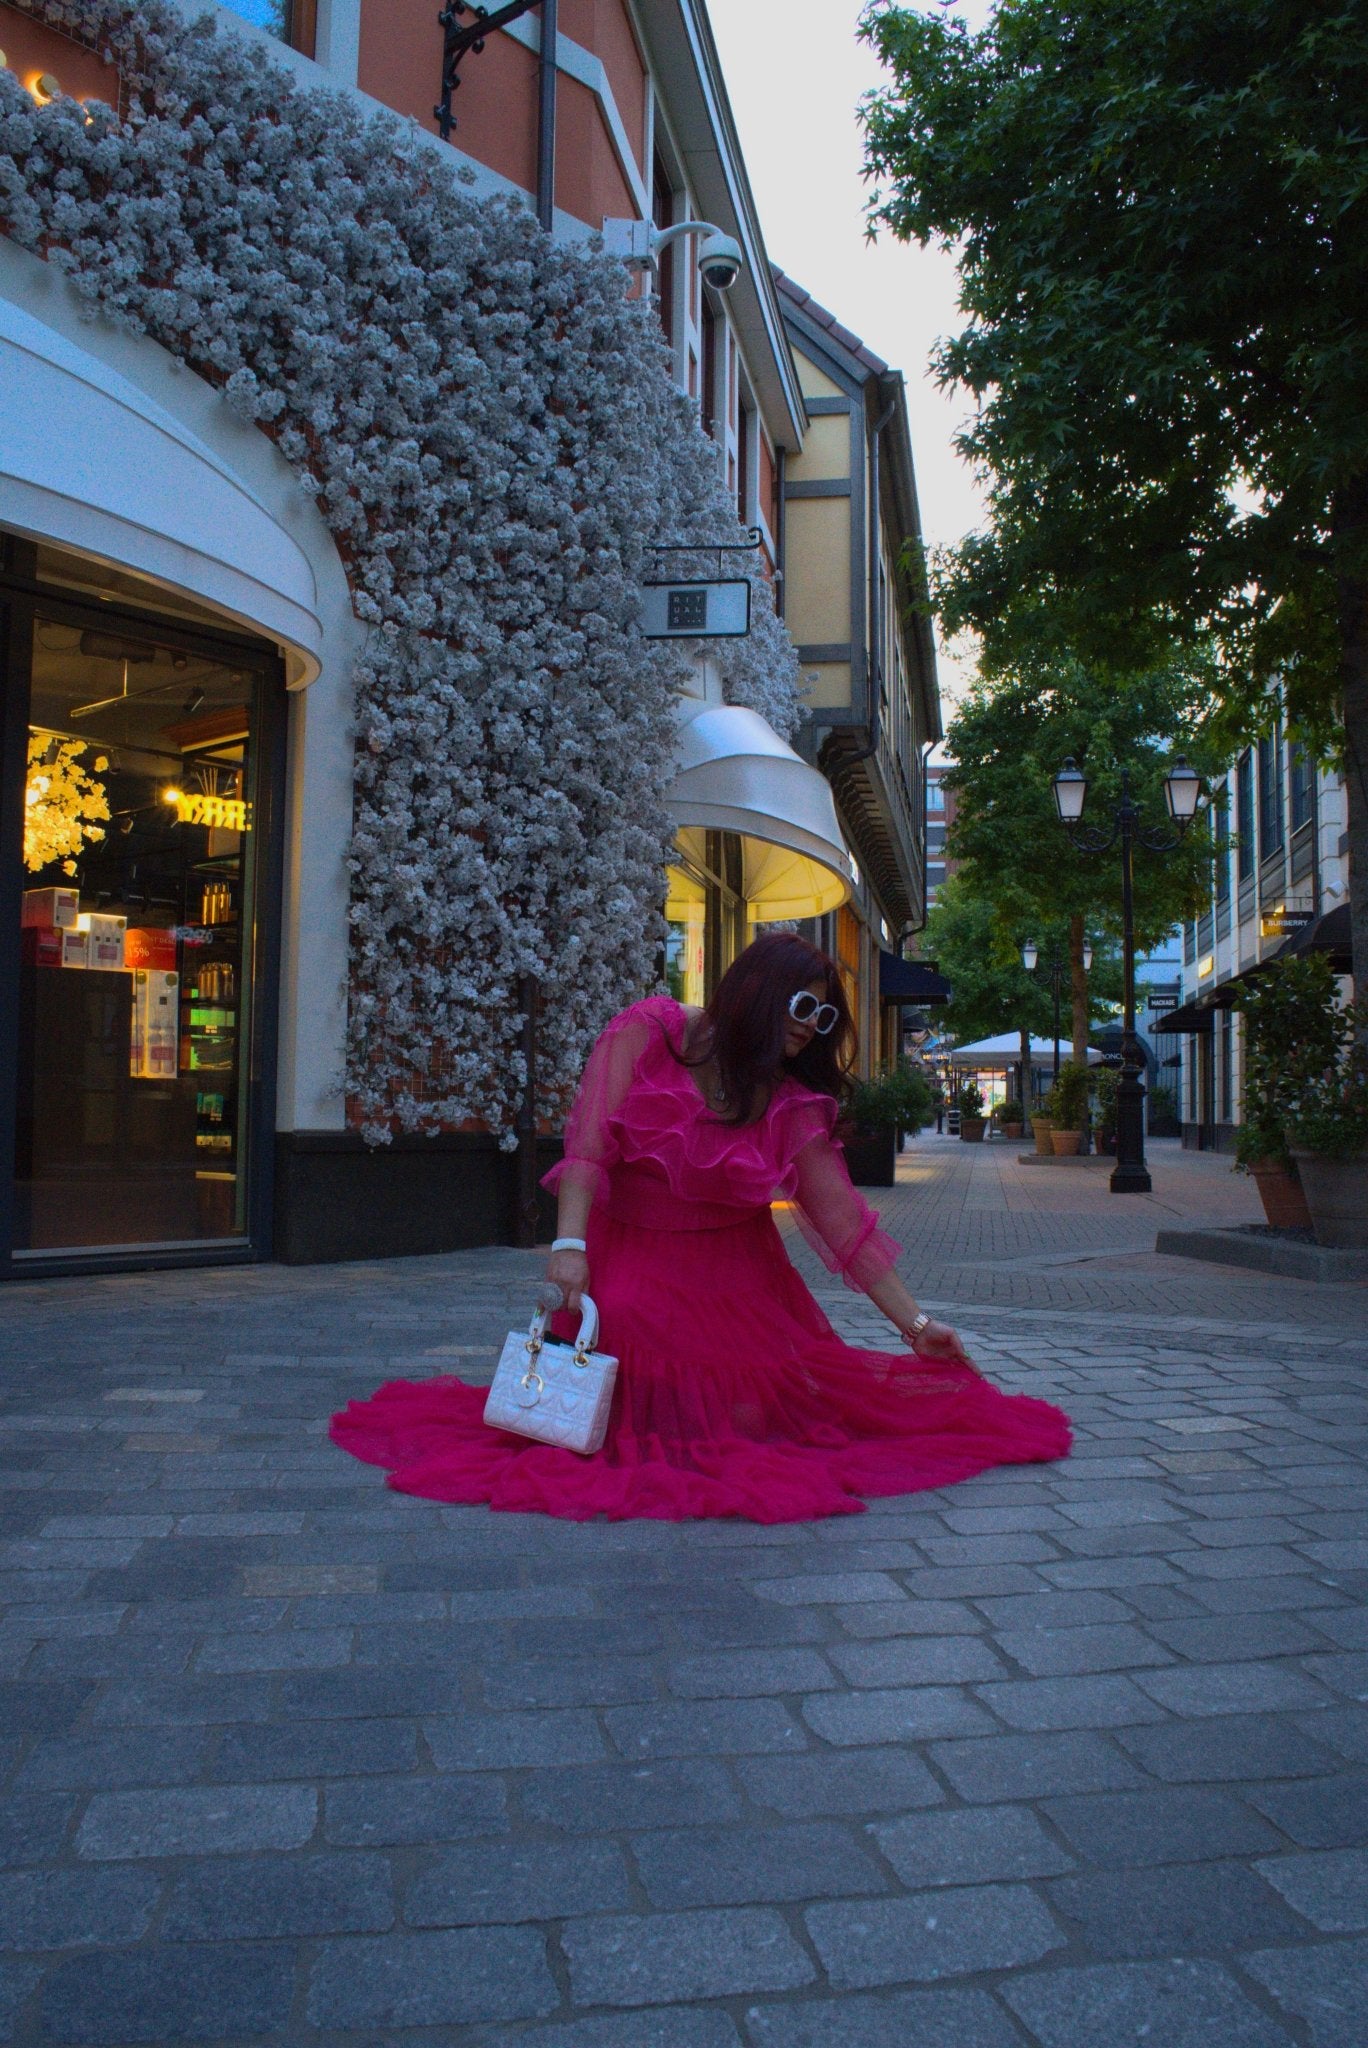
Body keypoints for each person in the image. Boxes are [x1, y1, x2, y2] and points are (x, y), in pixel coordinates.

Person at [331, 933, 1071, 1520]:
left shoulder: (790, 1102)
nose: (807, 1029)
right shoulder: (650, 1032)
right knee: (648, 1393)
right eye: (798, 1006)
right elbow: (588, 1146)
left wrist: (917, 1327)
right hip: (634, 1262)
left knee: (756, 1419)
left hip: (740, 1283)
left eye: (823, 1017)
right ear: (755, 991)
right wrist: (568, 1247)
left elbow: (844, 1225)